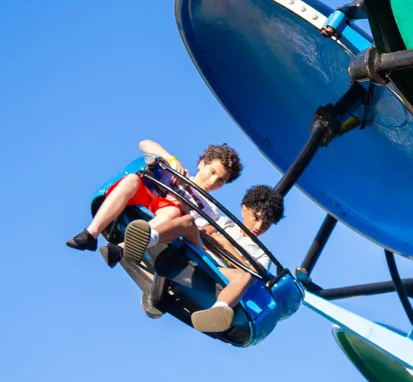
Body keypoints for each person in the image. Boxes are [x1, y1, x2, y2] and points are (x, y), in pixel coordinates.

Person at [124, 184, 286, 333]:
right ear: (244, 210)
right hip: (200, 255)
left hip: (220, 273)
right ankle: (147, 238)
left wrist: (225, 246)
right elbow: (204, 233)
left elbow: (252, 274)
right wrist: (222, 246)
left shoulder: (263, 253)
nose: (258, 227)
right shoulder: (226, 223)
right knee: (188, 222)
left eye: (266, 224)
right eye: (256, 218)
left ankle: (218, 310)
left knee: (244, 276)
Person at [66, 141, 242, 264]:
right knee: (133, 179)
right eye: (211, 172)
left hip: (165, 217)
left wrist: (185, 208)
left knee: (172, 212)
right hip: (147, 199)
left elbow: (191, 229)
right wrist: (171, 159)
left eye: (220, 181)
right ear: (202, 163)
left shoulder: (210, 209)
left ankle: (122, 248)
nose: (212, 181)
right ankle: (91, 234)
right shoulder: (179, 171)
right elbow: (144, 144)